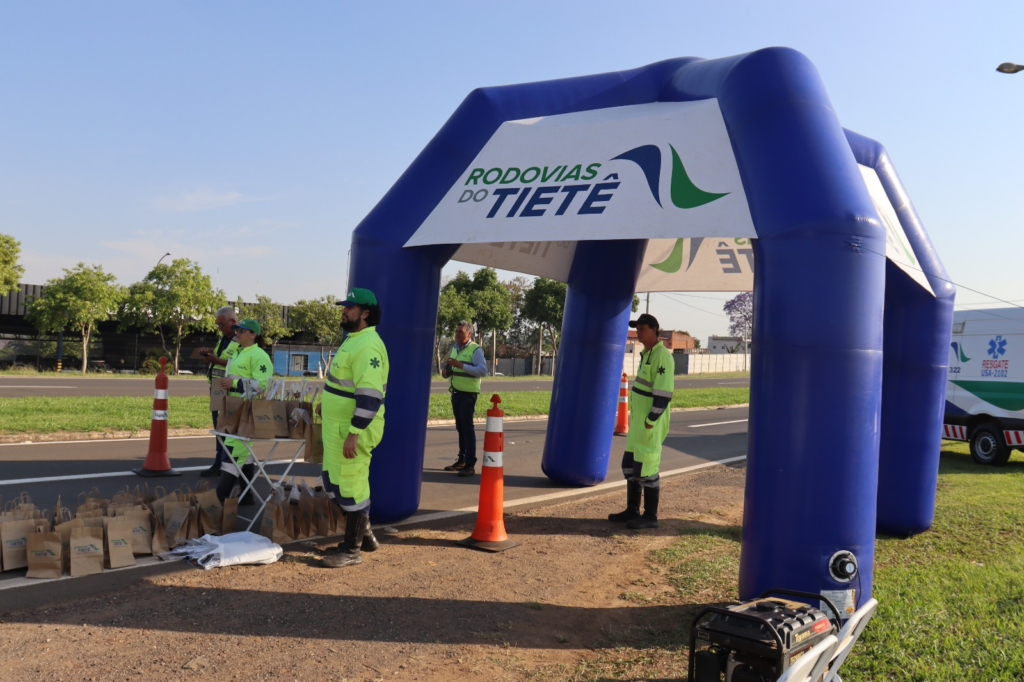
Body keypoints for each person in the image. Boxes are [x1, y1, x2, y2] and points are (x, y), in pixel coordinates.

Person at [319, 287, 389, 568]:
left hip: (352, 431)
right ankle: (365, 536)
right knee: (333, 483)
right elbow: (343, 383)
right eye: (344, 307)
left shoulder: (367, 345)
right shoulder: (354, 339)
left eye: (350, 307)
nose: (344, 311)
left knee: (351, 487)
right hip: (338, 429)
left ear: (366, 313)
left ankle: (352, 550)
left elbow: (370, 396)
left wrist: (354, 434)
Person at [609, 313, 675, 529]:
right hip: (638, 424)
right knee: (631, 466)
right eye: (637, 329)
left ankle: (650, 516)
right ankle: (632, 509)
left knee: (647, 468)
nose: (639, 333)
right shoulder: (646, 353)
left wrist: (650, 421)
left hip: (649, 424)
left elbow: (663, 394)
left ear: (655, 330)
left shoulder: (662, 356)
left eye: (642, 329)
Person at [214, 318, 273, 506]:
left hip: (246, 409)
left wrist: (235, 383)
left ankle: (221, 498)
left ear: (254, 335)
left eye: (243, 330)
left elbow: (263, 385)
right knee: (243, 453)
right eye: (237, 329)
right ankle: (247, 496)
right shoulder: (240, 352)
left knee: (232, 450)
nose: (238, 333)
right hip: (234, 405)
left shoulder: (259, 355)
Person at [440, 320, 488, 477]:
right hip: (456, 392)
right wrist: (447, 371)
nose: (457, 334)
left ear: (469, 334)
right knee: (460, 428)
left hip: (468, 394)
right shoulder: (455, 348)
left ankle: (470, 464)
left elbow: (482, 371)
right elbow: (452, 367)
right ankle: (461, 460)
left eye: (460, 331)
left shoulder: (475, 350)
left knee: (468, 429)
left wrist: (461, 366)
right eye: (456, 331)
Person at [198, 306, 239, 477]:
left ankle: (229, 465)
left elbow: (236, 364)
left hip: (230, 389)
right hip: (216, 388)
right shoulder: (223, 339)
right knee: (218, 427)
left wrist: (217, 360)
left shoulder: (239, 340)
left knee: (229, 429)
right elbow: (220, 360)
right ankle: (219, 463)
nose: (219, 328)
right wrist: (210, 356)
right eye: (217, 325)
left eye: (222, 324)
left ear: (233, 322)